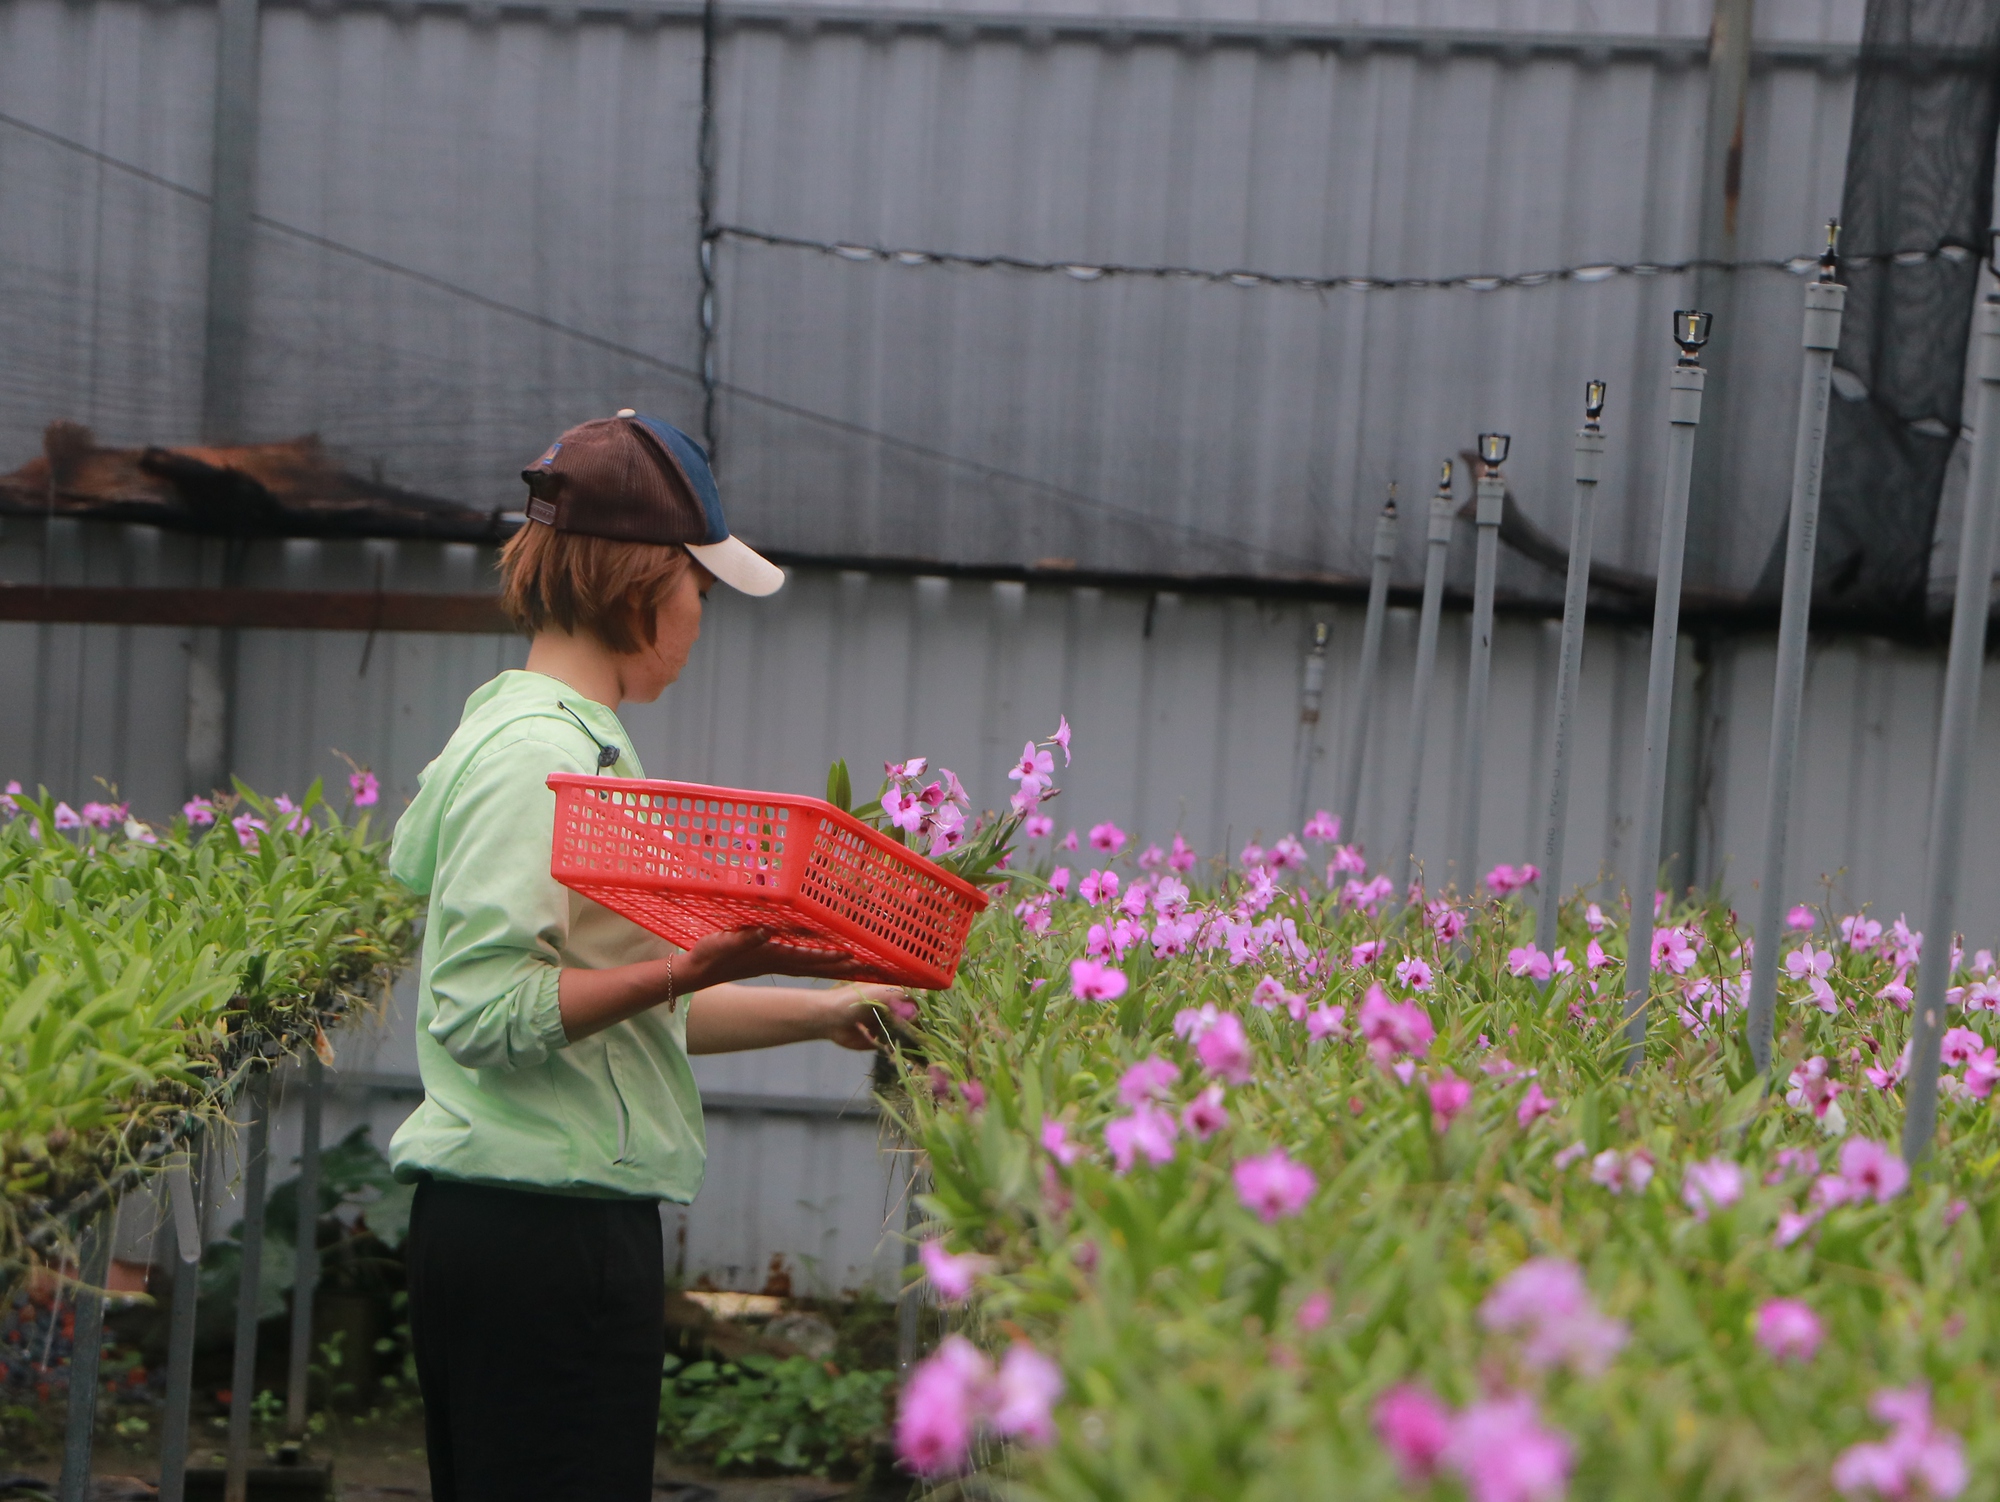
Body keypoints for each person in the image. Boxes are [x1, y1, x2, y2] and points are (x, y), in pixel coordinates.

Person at [387, 410, 893, 1502]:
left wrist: (821, 1006)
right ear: (638, 591)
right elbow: (478, 1009)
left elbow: (621, 1017)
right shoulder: (539, 761)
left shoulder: (570, 743)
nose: (702, 619)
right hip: (542, 1239)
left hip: (540, 1223)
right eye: (699, 592)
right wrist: (682, 966)